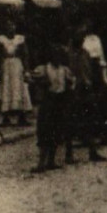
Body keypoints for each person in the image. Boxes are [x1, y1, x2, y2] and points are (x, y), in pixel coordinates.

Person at [29, 44, 76, 173]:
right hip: (48, 102)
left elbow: (71, 83)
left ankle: (51, 161)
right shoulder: (44, 69)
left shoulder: (64, 70)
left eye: (59, 55)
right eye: (54, 55)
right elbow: (30, 78)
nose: (57, 58)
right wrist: (40, 84)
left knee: (56, 131)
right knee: (44, 131)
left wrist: (69, 89)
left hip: (60, 101)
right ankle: (41, 163)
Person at [67, 37, 107, 166]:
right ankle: (68, 153)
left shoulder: (84, 53)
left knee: (90, 118)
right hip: (73, 89)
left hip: (85, 89)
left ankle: (92, 151)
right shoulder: (69, 54)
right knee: (70, 121)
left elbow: (88, 71)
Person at [80, 22, 107, 145]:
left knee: (103, 101)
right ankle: (87, 136)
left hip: (97, 70)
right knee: (86, 103)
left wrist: (105, 75)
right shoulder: (80, 40)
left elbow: (101, 57)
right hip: (85, 69)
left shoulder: (96, 39)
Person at [0, 17, 32, 125]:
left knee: (20, 88)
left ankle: (22, 116)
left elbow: (25, 55)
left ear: (15, 27)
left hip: (17, 65)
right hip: (6, 65)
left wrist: (26, 70)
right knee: (6, 89)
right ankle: (5, 117)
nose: (10, 28)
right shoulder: (1, 39)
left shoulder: (19, 39)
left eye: (12, 26)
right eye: (7, 26)